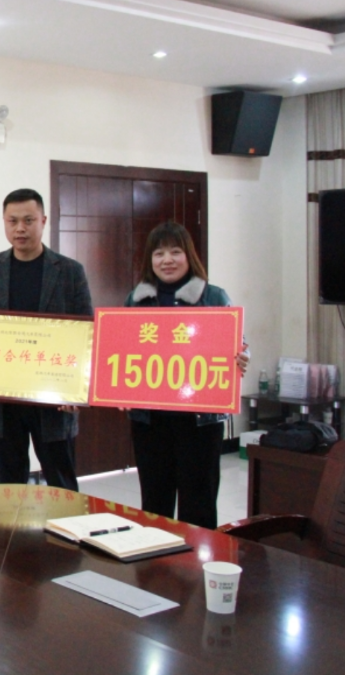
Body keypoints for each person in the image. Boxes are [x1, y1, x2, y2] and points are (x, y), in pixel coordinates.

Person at [0, 188, 93, 491]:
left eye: (28, 220)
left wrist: (80, 388)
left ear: (43, 221)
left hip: (54, 398)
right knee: (9, 485)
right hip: (2, 398)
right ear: (4, 223)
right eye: (13, 221)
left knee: (62, 484)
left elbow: (87, 334)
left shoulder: (70, 271)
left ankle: (68, 524)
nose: (20, 228)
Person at [124, 221, 248, 529]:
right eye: (159, 253)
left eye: (175, 252)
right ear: (150, 260)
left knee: (199, 500)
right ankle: (156, 557)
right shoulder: (135, 301)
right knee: (155, 501)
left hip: (200, 421)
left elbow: (238, 344)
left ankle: (199, 557)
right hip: (150, 420)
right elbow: (123, 352)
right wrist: (119, 387)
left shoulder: (214, 297)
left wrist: (242, 358)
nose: (167, 260)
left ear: (189, 256)